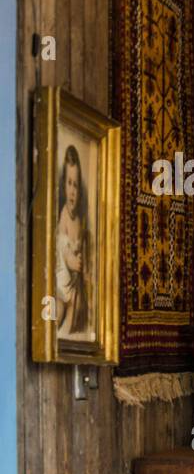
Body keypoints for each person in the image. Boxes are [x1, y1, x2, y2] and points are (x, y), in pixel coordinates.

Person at [55, 144, 91, 339]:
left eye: (76, 185)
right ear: (63, 185)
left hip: (75, 280)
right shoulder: (65, 217)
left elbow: (82, 248)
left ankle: (69, 334)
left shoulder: (79, 220)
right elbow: (62, 246)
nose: (72, 191)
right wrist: (70, 260)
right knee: (62, 306)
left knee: (78, 301)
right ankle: (63, 334)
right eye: (69, 183)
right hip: (63, 278)